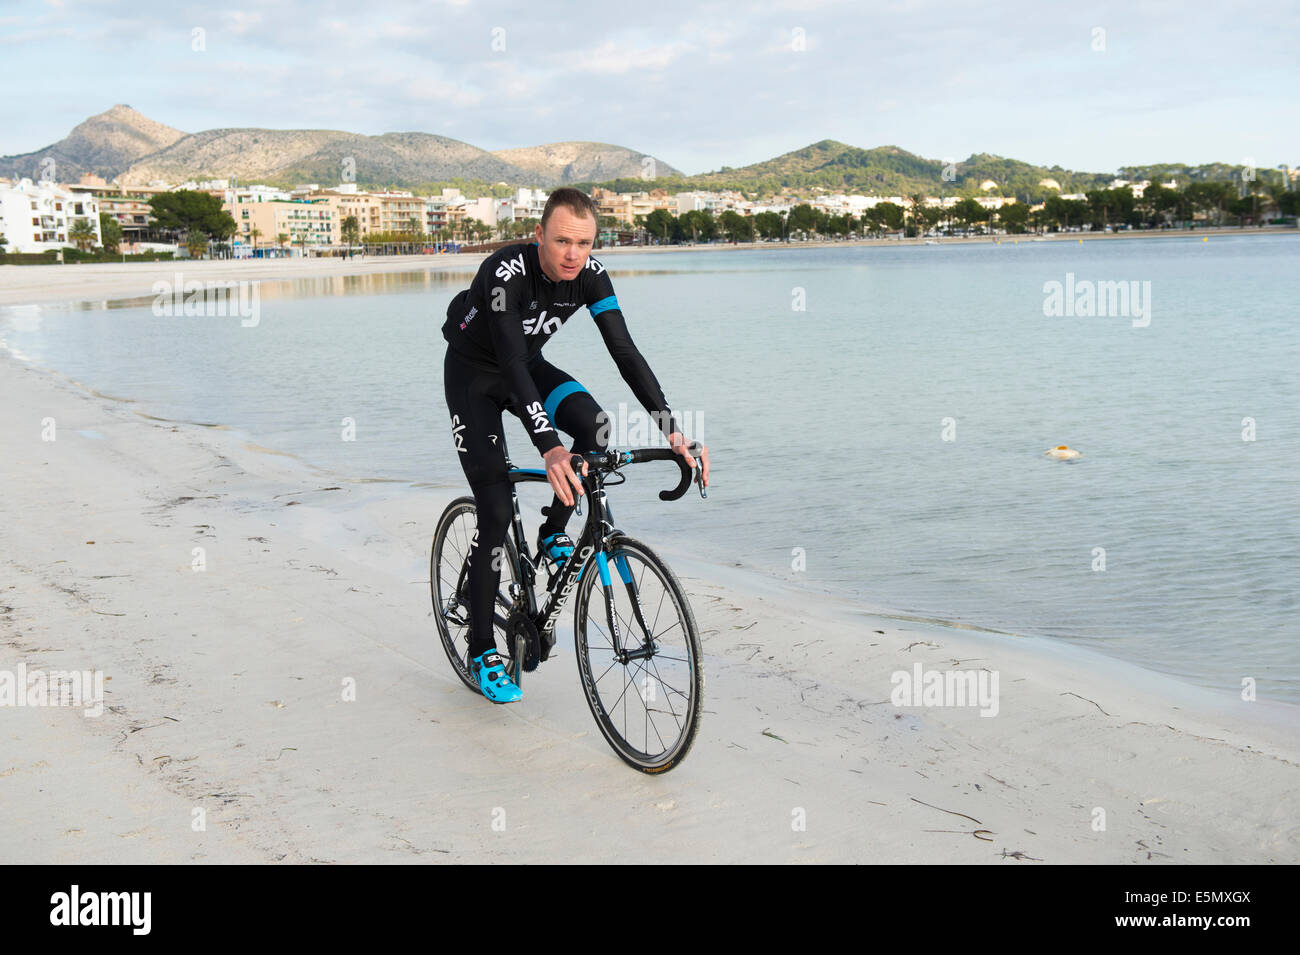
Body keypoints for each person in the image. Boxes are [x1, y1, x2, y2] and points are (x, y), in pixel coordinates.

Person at [442, 188, 709, 703]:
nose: (572, 254)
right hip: (476, 377)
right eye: (562, 240)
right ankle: (481, 649)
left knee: (598, 430)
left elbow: (624, 353)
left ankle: (551, 532)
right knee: (495, 511)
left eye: (583, 243)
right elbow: (512, 363)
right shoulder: (504, 274)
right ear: (539, 234)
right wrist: (549, 446)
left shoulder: (591, 275)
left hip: (526, 367)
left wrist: (671, 431)